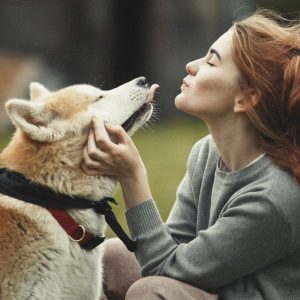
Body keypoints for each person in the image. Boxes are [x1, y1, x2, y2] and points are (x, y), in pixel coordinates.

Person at [82, 9, 300, 300]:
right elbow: (173, 246)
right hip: (214, 286)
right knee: (109, 258)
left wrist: (133, 177)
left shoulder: (273, 196)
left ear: (246, 98)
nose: (192, 65)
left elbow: (164, 268)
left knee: (151, 292)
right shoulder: (207, 153)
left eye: (211, 62)